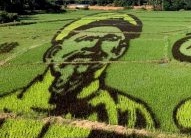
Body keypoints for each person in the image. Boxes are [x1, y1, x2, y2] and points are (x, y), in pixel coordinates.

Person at [0, 13, 156, 131]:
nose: (95, 46)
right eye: (86, 38)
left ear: (118, 51)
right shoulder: (6, 107)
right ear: (53, 53)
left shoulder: (128, 113)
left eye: (109, 39)